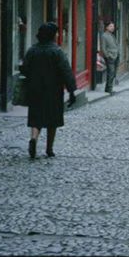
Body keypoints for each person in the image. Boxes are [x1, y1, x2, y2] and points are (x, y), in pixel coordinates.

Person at [20, 22, 76, 159]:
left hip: (35, 89)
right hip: (53, 90)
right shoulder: (57, 51)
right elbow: (66, 72)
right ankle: (49, 149)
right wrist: (71, 91)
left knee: (36, 117)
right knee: (53, 119)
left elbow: (24, 68)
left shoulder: (32, 50)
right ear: (52, 35)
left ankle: (34, 139)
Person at [100, 21, 119, 94]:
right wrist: (108, 56)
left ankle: (109, 88)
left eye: (113, 26)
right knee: (111, 72)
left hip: (115, 56)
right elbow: (103, 48)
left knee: (113, 73)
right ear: (107, 27)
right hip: (110, 57)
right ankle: (108, 89)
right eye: (111, 26)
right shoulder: (104, 36)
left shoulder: (112, 35)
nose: (113, 28)